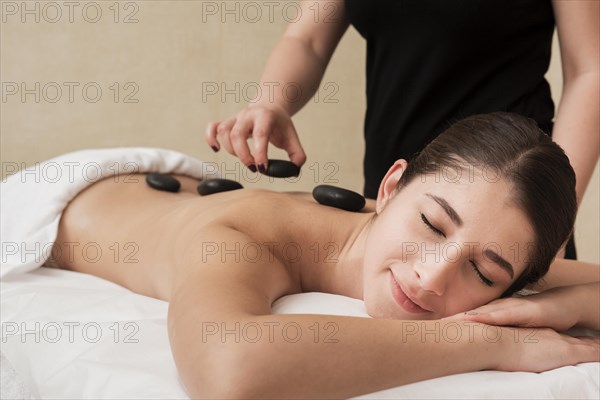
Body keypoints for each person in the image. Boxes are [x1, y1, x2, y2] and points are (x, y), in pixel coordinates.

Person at [49, 113, 599, 398]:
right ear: (390, 187)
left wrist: (561, 308)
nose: (432, 276)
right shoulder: (243, 238)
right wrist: (489, 342)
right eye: (431, 224)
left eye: (482, 272)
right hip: (70, 194)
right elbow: (229, 373)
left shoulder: (473, 236)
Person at [205, 0, 599, 260]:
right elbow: (305, 38)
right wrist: (270, 102)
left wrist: (553, 223)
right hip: (393, 202)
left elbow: (590, 71)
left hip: (506, 213)